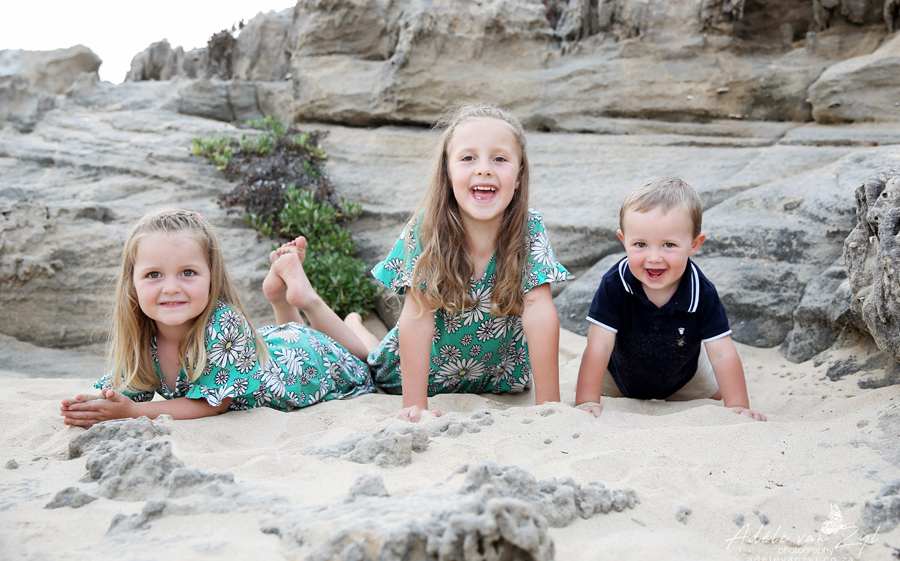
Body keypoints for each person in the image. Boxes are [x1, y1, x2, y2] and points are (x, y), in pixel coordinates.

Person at [60, 209, 374, 427]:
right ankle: (284, 298)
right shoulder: (142, 334)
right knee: (296, 331)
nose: (171, 288)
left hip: (309, 360)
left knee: (368, 360)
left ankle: (341, 317)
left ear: (212, 277)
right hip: (271, 347)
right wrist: (97, 405)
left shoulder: (225, 323)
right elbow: (126, 391)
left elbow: (213, 404)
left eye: (188, 272)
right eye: (153, 274)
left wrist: (133, 412)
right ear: (132, 285)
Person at [361, 104, 570, 422]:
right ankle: (347, 320)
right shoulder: (427, 229)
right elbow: (417, 317)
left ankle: (353, 324)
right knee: (371, 355)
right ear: (447, 173)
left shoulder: (530, 228)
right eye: (468, 157)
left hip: (498, 377)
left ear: (519, 176)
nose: (484, 169)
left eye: (499, 159)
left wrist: (549, 405)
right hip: (428, 376)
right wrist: (415, 405)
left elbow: (539, 310)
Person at [574, 177, 766, 421]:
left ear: (694, 244)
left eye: (669, 244)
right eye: (640, 244)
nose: (654, 257)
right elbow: (599, 346)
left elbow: (722, 354)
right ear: (623, 241)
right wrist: (587, 400)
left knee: (718, 391)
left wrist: (738, 406)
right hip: (618, 376)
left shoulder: (702, 292)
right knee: (591, 387)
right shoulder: (615, 283)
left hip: (685, 378)